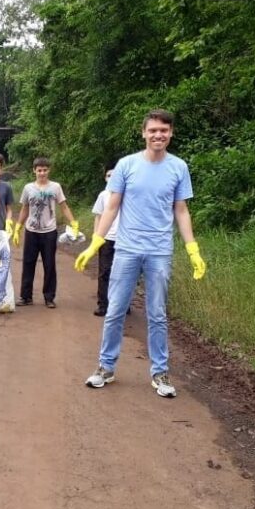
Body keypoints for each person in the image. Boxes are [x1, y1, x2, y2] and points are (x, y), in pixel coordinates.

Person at [75, 109, 207, 398]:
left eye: (164, 130)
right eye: (153, 130)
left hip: (160, 251)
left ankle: (160, 372)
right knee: (114, 310)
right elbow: (111, 207)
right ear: (144, 133)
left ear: (171, 133)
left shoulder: (178, 167)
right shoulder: (127, 165)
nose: (158, 135)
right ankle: (106, 367)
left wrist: (193, 249)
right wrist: (95, 244)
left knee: (157, 313)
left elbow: (181, 211)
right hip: (127, 249)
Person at [13, 157, 78, 308]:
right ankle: (25, 296)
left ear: (49, 170)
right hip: (31, 231)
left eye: (45, 170)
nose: (42, 173)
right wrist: (18, 227)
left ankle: (49, 297)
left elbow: (64, 206)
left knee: (49, 264)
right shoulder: (28, 188)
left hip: (49, 231)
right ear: (34, 170)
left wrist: (73, 222)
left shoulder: (55, 187)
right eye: (39, 170)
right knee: (28, 264)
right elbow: (24, 208)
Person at [92, 167, 120, 317]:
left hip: (125, 240)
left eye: (114, 175)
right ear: (105, 178)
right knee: (104, 272)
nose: (111, 178)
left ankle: (122, 305)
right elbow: (98, 216)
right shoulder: (103, 195)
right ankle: (103, 304)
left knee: (123, 273)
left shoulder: (127, 194)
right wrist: (96, 237)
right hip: (107, 239)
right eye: (109, 175)